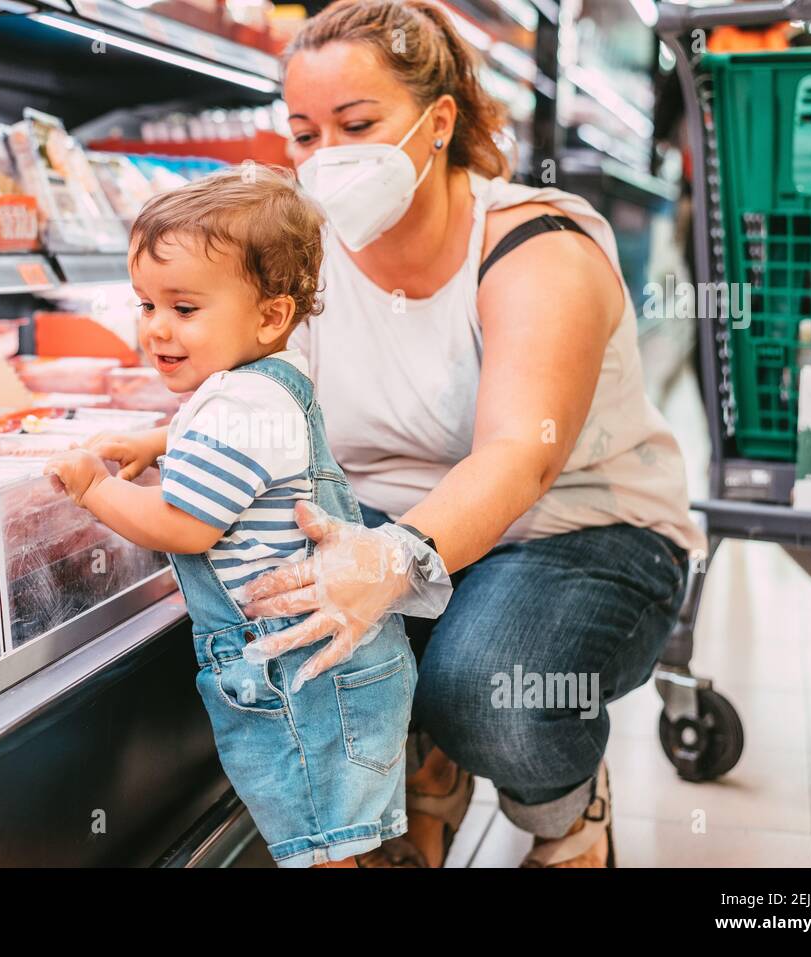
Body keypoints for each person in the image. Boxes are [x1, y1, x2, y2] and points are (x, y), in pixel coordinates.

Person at [239, 0, 707, 868]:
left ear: (438, 119)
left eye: (357, 123)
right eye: (304, 133)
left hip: (578, 530)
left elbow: (518, 454)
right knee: (277, 637)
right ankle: (418, 781)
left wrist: (389, 562)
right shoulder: (306, 251)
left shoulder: (536, 244)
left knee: (495, 689)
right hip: (386, 516)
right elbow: (257, 391)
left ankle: (568, 817)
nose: (326, 156)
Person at [44, 166, 451, 868]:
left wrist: (91, 489)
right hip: (334, 668)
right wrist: (159, 440)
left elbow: (182, 525)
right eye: (146, 304)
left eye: (184, 308)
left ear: (269, 314)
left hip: (298, 679)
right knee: (338, 846)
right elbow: (239, 451)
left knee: (325, 855)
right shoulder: (263, 382)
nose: (157, 329)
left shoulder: (235, 404)